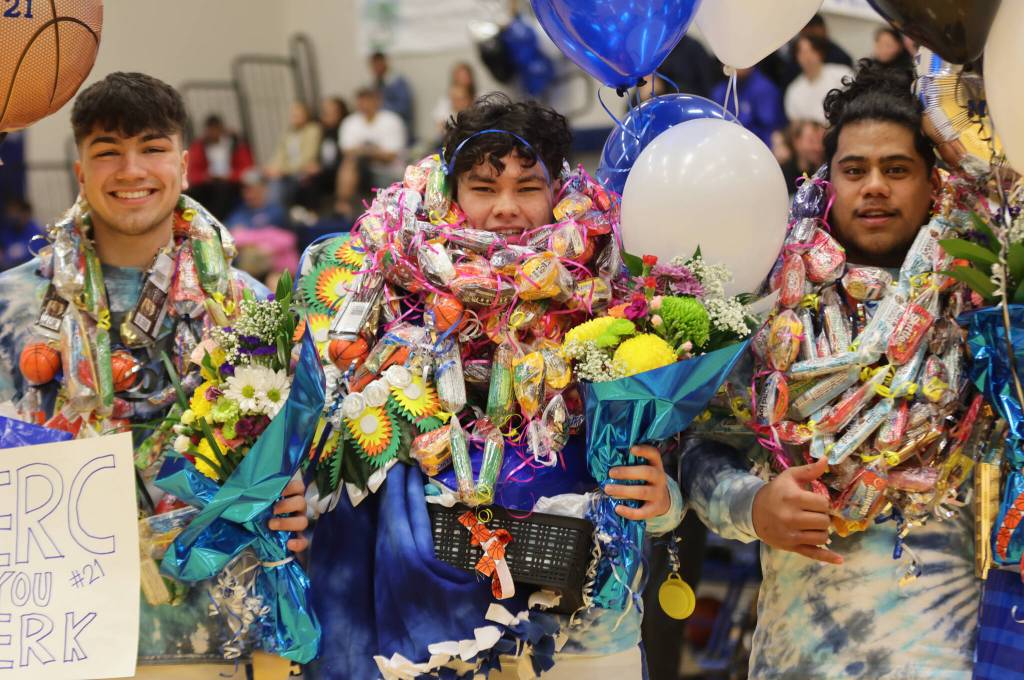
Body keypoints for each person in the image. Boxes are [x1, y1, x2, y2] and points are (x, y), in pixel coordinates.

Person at [310, 94, 684, 680]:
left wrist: (663, 505)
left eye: (527, 186)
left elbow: (666, 487)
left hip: (589, 635)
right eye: (484, 187)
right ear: (452, 196)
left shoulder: (619, 299)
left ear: (558, 192)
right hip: (441, 632)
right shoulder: (390, 298)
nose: (506, 208)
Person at [0, 72, 309, 679]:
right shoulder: (13, 310)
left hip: (220, 634)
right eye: (107, 151)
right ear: (80, 169)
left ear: (186, 164)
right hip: (57, 635)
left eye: (152, 147)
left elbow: (293, 459)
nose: (131, 169)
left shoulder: (250, 310)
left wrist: (299, 496)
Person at [679, 61, 979, 679]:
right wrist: (754, 505)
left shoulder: (986, 306)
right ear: (827, 181)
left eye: (896, 170)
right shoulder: (771, 303)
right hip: (802, 654)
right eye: (855, 170)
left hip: (949, 648)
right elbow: (701, 449)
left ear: (932, 183)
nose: (874, 187)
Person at [334, 87, 407, 217]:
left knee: (353, 162)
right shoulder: (350, 122)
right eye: (361, 101)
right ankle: (342, 207)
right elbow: (347, 151)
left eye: (368, 101)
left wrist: (362, 150)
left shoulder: (392, 121)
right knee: (350, 163)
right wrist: (374, 151)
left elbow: (390, 156)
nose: (365, 105)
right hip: (359, 170)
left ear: (377, 101)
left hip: (388, 172)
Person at [185, 113, 254, 219]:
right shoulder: (199, 147)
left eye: (216, 130)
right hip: (208, 183)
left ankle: (218, 220)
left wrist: (229, 176)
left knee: (222, 190)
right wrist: (205, 177)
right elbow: (192, 172)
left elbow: (247, 170)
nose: (214, 134)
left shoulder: (236, 144)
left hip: (231, 184)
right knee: (191, 193)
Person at [784, 35, 854, 125]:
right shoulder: (793, 91)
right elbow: (797, 125)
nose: (807, 57)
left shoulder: (842, 73)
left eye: (811, 51)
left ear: (820, 53)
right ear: (797, 58)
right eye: (802, 53)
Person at [265, 100, 322, 208]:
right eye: (293, 114)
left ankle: (274, 216)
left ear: (306, 115)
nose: (294, 117)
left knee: (276, 185)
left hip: (301, 172)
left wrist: (282, 171)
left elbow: (308, 157)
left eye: (298, 115)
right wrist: (271, 167)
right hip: (286, 173)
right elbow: (279, 155)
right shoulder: (288, 133)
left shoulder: (313, 130)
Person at [710, 66, 786, 147]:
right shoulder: (719, 92)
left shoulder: (764, 89)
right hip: (725, 145)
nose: (732, 63)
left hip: (758, 147)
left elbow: (771, 130)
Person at [370, 51, 415, 144]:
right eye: (373, 65)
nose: (376, 68)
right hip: (380, 128)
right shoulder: (374, 84)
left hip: (398, 127)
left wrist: (381, 106)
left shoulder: (398, 82)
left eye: (378, 64)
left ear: (385, 62)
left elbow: (404, 107)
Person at [779, 119, 825, 193]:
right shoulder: (782, 176)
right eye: (811, 141)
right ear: (796, 141)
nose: (818, 147)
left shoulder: (825, 176)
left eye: (821, 142)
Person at [432, 62, 477, 133]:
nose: (462, 80)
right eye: (459, 77)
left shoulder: (481, 97)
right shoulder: (445, 100)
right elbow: (440, 126)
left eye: (465, 76)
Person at [0, 196, 44, 270]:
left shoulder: (36, 232)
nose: (13, 216)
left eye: (16, 212)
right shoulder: (8, 231)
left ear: (26, 213)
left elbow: (36, 256)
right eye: (10, 212)